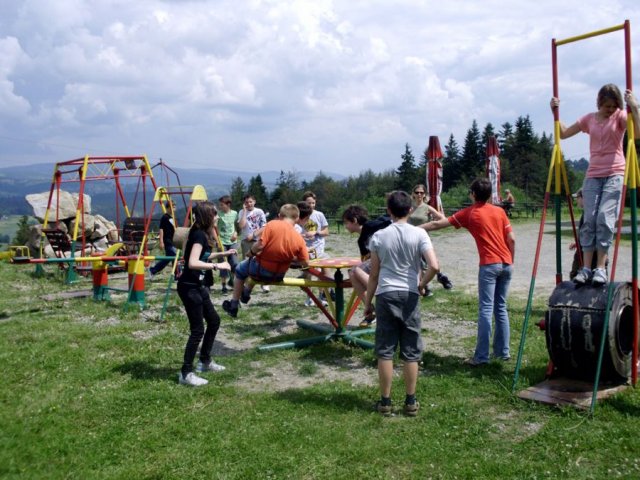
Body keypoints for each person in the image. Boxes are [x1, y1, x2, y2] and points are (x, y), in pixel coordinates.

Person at [551, 85, 640, 285]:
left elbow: (638, 134)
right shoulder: (589, 119)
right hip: (593, 175)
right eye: (607, 106)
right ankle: (585, 268)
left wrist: (634, 107)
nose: (611, 110)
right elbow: (563, 133)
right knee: (589, 220)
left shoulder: (620, 117)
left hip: (615, 173)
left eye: (614, 106)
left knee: (604, 218)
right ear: (599, 103)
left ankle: (600, 268)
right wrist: (555, 111)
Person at [421, 178, 515, 366]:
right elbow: (511, 239)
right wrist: (510, 260)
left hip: (489, 264)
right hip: (506, 263)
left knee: (486, 309)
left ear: (473, 194)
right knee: (501, 307)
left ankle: (481, 357)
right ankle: (503, 352)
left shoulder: (470, 213)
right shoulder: (500, 211)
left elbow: (437, 225)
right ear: (489, 195)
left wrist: (410, 228)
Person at [363, 191, 439, 417]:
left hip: (386, 293)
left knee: (385, 350)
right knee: (411, 349)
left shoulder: (378, 236)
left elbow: (373, 274)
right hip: (409, 294)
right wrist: (421, 284)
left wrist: (367, 302)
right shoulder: (419, 233)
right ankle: (410, 401)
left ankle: (385, 401)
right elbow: (434, 266)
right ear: (410, 210)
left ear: (389, 211)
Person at [177, 201, 233, 387]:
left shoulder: (201, 233)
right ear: (207, 216)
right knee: (197, 330)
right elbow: (192, 262)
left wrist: (223, 254)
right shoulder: (199, 235)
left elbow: (202, 256)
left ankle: (205, 361)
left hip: (197, 285)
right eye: (215, 214)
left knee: (214, 321)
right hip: (189, 287)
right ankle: (186, 373)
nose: (217, 217)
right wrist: (218, 265)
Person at [222, 204, 310, 318]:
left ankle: (234, 304)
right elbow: (305, 263)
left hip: (260, 270)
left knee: (240, 269)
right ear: (297, 218)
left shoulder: (272, 224)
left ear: (279, 215)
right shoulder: (299, 238)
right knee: (251, 267)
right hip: (279, 275)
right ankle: (245, 294)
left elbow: (260, 245)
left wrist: (250, 253)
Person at [341, 204, 391, 327]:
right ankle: (371, 311)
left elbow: (387, 220)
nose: (345, 226)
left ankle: (382, 295)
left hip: (388, 258)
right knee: (353, 273)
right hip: (378, 263)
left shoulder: (370, 226)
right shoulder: (361, 241)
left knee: (354, 271)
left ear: (354, 220)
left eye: (346, 223)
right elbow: (365, 261)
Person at [408, 184, 453, 291]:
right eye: (417, 192)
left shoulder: (427, 207)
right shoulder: (409, 207)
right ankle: (425, 287)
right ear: (413, 194)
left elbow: (443, 219)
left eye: (421, 192)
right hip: (410, 238)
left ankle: (439, 276)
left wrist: (432, 223)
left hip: (423, 237)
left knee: (431, 260)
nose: (419, 194)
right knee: (417, 263)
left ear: (424, 195)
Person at [299, 191, 331, 306]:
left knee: (321, 272)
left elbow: (326, 232)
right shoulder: (299, 216)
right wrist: (302, 236)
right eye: (309, 203)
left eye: (313, 203)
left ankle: (322, 296)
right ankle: (310, 297)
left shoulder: (319, 215)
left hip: (319, 248)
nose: (311, 205)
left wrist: (316, 232)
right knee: (309, 273)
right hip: (305, 249)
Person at [237, 193, 269, 292]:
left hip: (259, 240)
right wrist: (244, 212)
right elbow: (241, 226)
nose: (249, 204)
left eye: (250, 202)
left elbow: (264, 226)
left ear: (254, 202)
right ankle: (247, 284)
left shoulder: (259, 211)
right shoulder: (241, 212)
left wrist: (254, 235)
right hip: (245, 240)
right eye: (246, 202)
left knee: (262, 261)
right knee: (247, 262)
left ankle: (264, 284)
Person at [569, 189, 601, 279]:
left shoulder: (591, 214)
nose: (576, 200)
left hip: (589, 251)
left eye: (577, 197)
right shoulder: (586, 212)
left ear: (584, 198)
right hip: (583, 247)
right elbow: (585, 232)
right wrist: (578, 242)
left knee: (577, 274)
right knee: (575, 273)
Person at [148, 200, 177, 280]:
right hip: (167, 240)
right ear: (168, 208)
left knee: (169, 258)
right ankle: (176, 274)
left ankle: (153, 270)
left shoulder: (172, 218)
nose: (174, 208)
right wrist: (161, 241)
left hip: (173, 241)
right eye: (172, 206)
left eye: (175, 206)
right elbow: (161, 229)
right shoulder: (165, 217)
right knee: (174, 257)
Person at [217, 195, 239, 294]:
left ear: (228, 204)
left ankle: (232, 281)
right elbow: (214, 227)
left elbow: (237, 226)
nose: (220, 206)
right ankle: (223, 285)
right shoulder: (218, 214)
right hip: (222, 242)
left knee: (234, 262)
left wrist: (236, 233)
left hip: (232, 242)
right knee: (223, 263)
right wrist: (217, 240)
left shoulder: (235, 213)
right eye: (220, 205)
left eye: (222, 205)